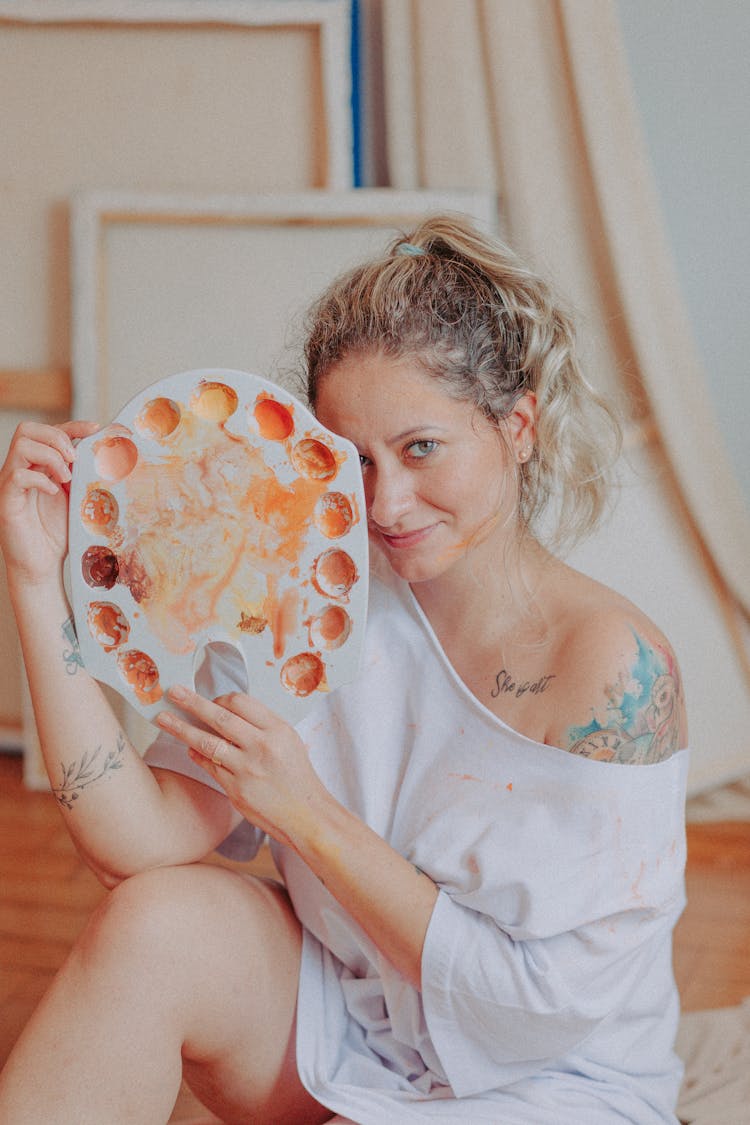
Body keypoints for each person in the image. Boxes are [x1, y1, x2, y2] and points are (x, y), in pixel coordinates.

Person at [0, 214, 689, 1124]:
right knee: (154, 923)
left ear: (517, 426)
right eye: (352, 460)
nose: (385, 502)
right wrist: (35, 581)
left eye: (422, 448)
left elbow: (529, 1018)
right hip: (359, 1031)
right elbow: (139, 844)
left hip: (549, 1082)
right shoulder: (301, 595)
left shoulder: (610, 669)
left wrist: (304, 812)